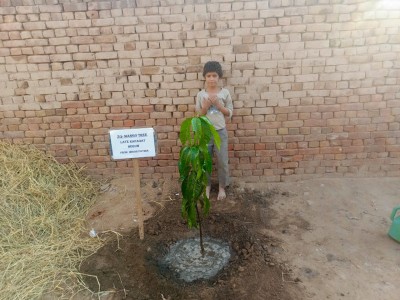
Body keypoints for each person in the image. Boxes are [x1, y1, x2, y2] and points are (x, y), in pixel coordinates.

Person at [195, 61, 233, 200]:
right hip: (206, 132)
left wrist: (218, 105)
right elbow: (198, 116)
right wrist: (205, 107)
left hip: (220, 132)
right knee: (206, 160)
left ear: (219, 77)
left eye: (214, 75)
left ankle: (222, 187)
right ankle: (207, 186)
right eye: (209, 75)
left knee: (222, 161)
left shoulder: (225, 93)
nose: (211, 78)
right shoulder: (201, 95)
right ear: (205, 77)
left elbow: (229, 113)